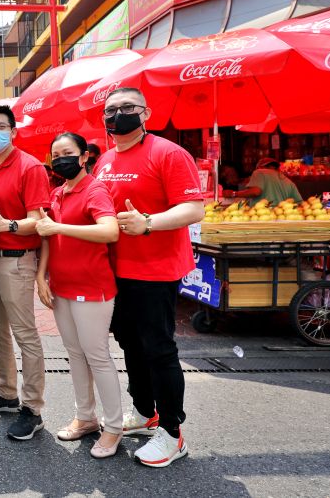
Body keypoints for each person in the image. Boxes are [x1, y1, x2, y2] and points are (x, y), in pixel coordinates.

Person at [95, 87, 205, 468]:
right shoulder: (105, 159)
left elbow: (193, 208)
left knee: (158, 348)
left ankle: (173, 433)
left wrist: (149, 224)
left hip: (156, 271)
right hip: (116, 270)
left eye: (127, 108)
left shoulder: (169, 153)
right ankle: (145, 412)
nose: (118, 115)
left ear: (146, 113)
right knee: (129, 343)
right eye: (111, 110)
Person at [34, 132, 123, 459]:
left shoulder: (95, 189)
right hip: (62, 287)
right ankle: (85, 417)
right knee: (75, 354)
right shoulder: (57, 193)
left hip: (92, 287)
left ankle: (113, 427)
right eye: (55, 155)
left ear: (84, 156)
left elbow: (109, 230)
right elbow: (46, 237)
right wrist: (41, 275)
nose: (61, 160)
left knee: (96, 355)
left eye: (67, 153)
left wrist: (60, 228)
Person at [0, 104, 51, 441]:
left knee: (25, 333)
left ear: (13, 131)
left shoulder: (30, 167)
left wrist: (10, 224)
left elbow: (40, 221)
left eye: (0, 126)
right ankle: (7, 394)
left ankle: (32, 409)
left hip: (17, 259)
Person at [230, 158, 302, 206]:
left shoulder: (259, 172)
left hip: (263, 217)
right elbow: (299, 203)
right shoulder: (288, 181)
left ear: (259, 167)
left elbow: (255, 191)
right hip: (283, 219)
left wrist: (234, 194)